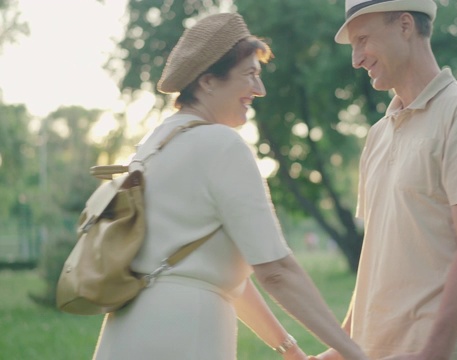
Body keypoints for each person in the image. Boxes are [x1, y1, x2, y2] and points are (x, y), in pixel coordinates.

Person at [93, 12, 368, 360]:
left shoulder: (153, 145)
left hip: (127, 333)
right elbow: (277, 271)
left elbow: (224, 277)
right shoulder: (221, 144)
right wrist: (355, 354)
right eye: (250, 75)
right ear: (208, 81)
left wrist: (290, 350)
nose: (260, 89)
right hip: (184, 335)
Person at [313, 1, 457, 359]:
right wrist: (337, 350)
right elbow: (378, 261)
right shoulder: (377, 135)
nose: (356, 59)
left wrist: (432, 352)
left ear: (405, 26)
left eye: (363, 40)